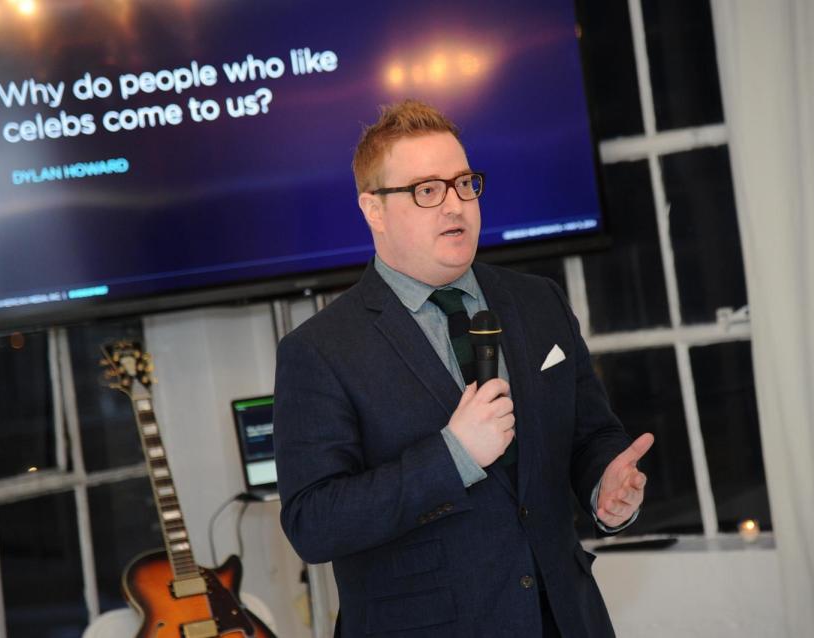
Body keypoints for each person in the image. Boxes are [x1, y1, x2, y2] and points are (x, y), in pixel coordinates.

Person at [273, 100, 653, 637]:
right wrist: (452, 457)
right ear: (373, 209)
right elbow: (314, 524)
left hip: (566, 621)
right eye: (426, 190)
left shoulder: (537, 301)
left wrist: (603, 488)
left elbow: (591, 433)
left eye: (464, 184)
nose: (455, 206)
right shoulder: (319, 349)